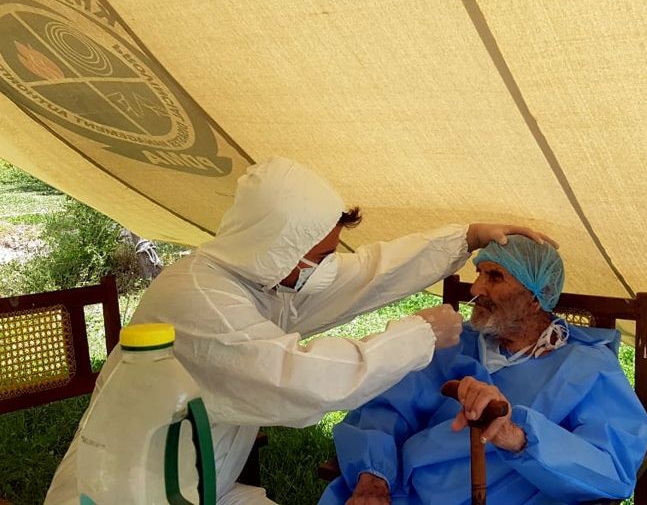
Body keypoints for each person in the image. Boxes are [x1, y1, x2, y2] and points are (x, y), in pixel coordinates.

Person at [45, 156, 556, 505]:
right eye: (321, 256)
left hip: (200, 482)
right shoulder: (202, 302)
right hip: (131, 490)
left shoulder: (256, 280)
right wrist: (418, 335)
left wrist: (463, 238)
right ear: (275, 246)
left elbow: (364, 276)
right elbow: (298, 381)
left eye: (497, 276)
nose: (328, 268)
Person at [321, 236, 647, 505]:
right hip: (403, 492)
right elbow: (385, 410)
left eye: (494, 277)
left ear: (535, 299)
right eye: (479, 274)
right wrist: (373, 477)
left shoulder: (586, 367)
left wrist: (516, 436)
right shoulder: (454, 343)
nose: (476, 288)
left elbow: (611, 467)